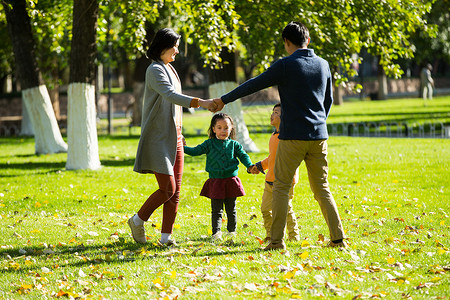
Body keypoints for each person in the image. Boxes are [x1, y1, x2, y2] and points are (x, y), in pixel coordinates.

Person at [212, 21, 346, 250]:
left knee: (281, 187)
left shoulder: (285, 65)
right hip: (319, 136)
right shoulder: (323, 65)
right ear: (308, 40)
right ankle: (338, 240)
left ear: (286, 42)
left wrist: (223, 99)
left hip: (292, 136)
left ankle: (276, 242)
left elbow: (253, 85)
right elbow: (328, 101)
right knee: (322, 188)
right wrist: (318, 124)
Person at [128, 28, 216, 246]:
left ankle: (166, 237)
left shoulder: (171, 69)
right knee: (168, 188)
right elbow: (170, 95)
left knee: (176, 190)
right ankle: (137, 220)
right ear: (163, 46)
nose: (177, 50)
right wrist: (202, 102)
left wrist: (180, 130)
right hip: (158, 137)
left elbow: (173, 107)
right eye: (175, 45)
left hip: (175, 136)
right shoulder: (155, 70)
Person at [183, 113, 258, 241]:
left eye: (226, 128)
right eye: (219, 127)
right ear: (213, 129)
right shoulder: (209, 144)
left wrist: (250, 166)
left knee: (231, 209)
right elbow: (195, 151)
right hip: (216, 182)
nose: (223, 131)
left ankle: (231, 232)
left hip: (231, 182)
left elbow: (244, 156)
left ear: (231, 128)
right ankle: (216, 233)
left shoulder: (235, 145)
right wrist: (183, 147)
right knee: (216, 210)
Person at [254, 103, 300, 242]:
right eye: (273, 111)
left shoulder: (289, 137)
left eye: (276, 112)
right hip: (270, 180)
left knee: (285, 210)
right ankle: (270, 234)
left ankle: (293, 235)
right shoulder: (274, 136)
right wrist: (259, 166)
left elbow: (294, 158)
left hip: (285, 180)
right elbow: (272, 158)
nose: (272, 115)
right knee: (265, 209)